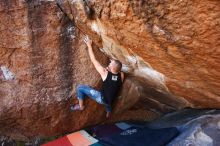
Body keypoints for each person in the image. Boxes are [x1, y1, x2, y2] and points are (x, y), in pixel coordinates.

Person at [71, 36, 124, 118]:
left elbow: (93, 60)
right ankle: (108, 112)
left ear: (113, 68)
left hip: (101, 98)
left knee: (80, 88)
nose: (109, 64)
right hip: (111, 99)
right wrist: (109, 69)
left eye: (110, 64)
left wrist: (89, 46)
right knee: (108, 101)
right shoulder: (121, 75)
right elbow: (117, 71)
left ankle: (81, 106)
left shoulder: (104, 73)